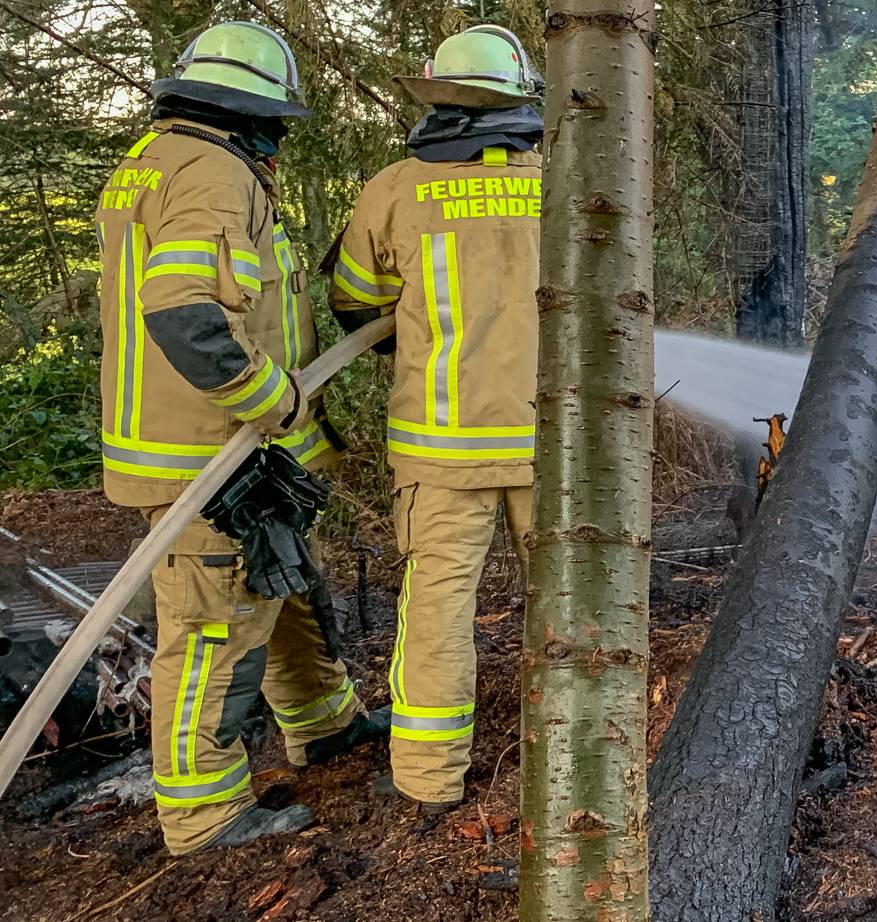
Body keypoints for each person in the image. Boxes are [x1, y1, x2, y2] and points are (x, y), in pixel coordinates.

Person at [95, 20, 383, 855]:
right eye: (277, 126)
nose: (279, 145)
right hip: (209, 456)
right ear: (252, 117)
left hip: (200, 446)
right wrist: (273, 401)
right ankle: (205, 815)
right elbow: (185, 312)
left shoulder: (155, 161)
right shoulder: (215, 175)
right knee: (214, 632)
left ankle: (324, 725)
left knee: (277, 584)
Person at [326, 24, 542, 814]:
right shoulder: (564, 180)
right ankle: (573, 759)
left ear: (438, 97)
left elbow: (355, 302)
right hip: (556, 448)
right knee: (569, 605)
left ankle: (428, 779)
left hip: (442, 450)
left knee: (437, 615)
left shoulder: (395, 189)